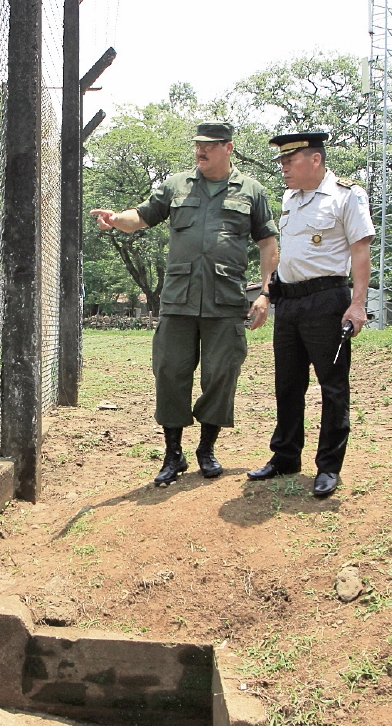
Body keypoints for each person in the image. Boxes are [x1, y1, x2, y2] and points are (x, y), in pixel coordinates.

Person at [90, 121, 279, 486]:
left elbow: (268, 245)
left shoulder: (251, 191)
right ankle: (173, 454)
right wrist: (116, 220)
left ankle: (206, 449)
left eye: (208, 146)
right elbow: (140, 216)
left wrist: (266, 294)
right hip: (178, 299)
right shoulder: (176, 185)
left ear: (228, 148)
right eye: (197, 146)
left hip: (225, 301)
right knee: (170, 371)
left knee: (221, 374)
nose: (200, 151)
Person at [246, 132, 374, 498]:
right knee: (287, 384)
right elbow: (286, 254)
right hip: (289, 302)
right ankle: (285, 455)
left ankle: (329, 466)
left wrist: (358, 303)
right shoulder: (290, 198)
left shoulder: (347, 196)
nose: (283, 168)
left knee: (332, 386)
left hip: (326, 300)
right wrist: (268, 294)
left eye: (290, 160)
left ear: (314, 160)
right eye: (282, 162)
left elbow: (360, 252)